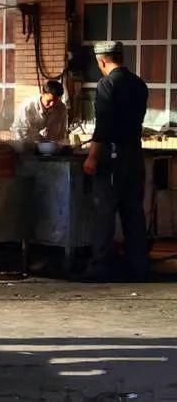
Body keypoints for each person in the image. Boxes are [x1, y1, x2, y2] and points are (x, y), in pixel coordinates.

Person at [82, 41, 149, 282]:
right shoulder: (139, 84)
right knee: (133, 211)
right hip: (134, 154)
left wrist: (91, 156)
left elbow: (104, 125)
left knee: (105, 212)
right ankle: (138, 264)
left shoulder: (107, 84)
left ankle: (101, 266)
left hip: (113, 157)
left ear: (102, 60)